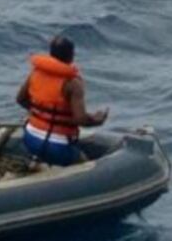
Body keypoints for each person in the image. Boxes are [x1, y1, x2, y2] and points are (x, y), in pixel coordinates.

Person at [15, 36, 108, 166]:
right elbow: (80, 119)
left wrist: (42, 114)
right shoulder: (73, 83)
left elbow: (20, 99)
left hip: (30, 139)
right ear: (71, 56)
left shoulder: (36, 72)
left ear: (51, 53)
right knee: (83, 164)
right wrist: (97, 120)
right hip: (57, 146)